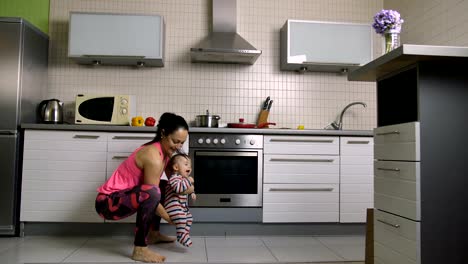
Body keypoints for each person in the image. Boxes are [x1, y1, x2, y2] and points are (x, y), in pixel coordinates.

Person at [94, 112, 189, 263]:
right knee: (152, 192)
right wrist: (170, 218)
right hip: (106, 203)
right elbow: (152, 195)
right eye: (175, 141)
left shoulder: (163, 152)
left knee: (164, 186)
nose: (178, 147)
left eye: (182, 143)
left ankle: (154, 234)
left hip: (123, 197)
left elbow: (174, 181)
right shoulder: (153, 156)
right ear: (163, 133)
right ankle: (140, 249)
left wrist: (188, 187)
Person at [164, 153, 196, 247]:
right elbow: (179, 189)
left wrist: (192, 193)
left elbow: (188, 188)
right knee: (182, 218)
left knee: (189, 218)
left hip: (181, 206)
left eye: (190, 165)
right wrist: (189, 181)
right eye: (186, 164)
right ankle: (181, 235)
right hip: (172, 205)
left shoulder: (184, 179)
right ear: (176, 167)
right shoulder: (174, 178)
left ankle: (184, 234)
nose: (189, 167)